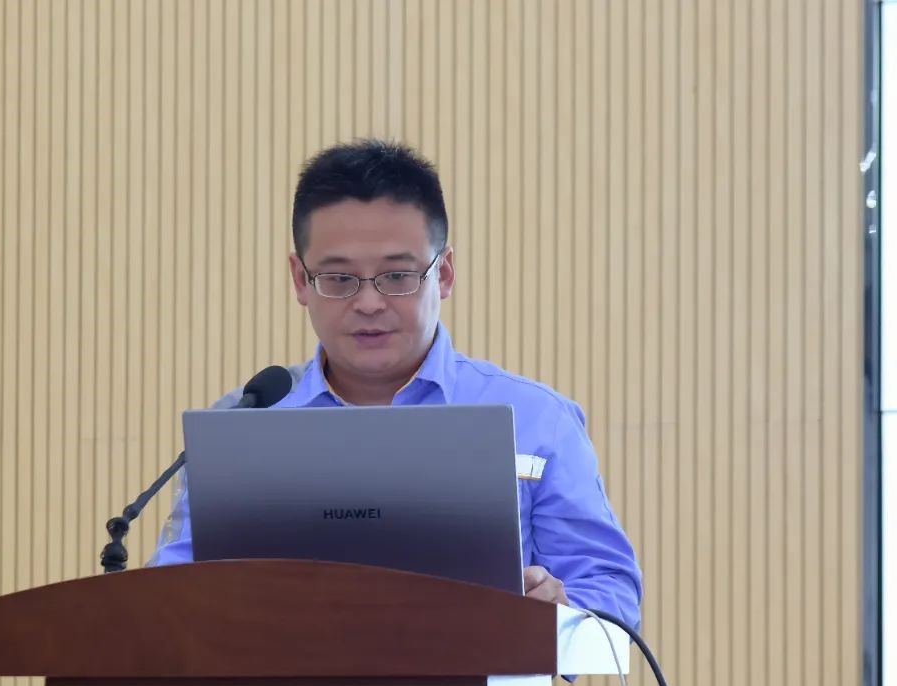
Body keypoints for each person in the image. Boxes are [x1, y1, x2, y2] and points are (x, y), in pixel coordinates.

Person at [148, 139, 642, 628]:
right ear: (300, 280)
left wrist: (562, 612)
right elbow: (170, 590)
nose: (369, 304)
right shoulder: (246, 421)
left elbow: (612, 594)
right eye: (339, 279)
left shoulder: (536, 418)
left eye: (398, 276)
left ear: (444, 273)